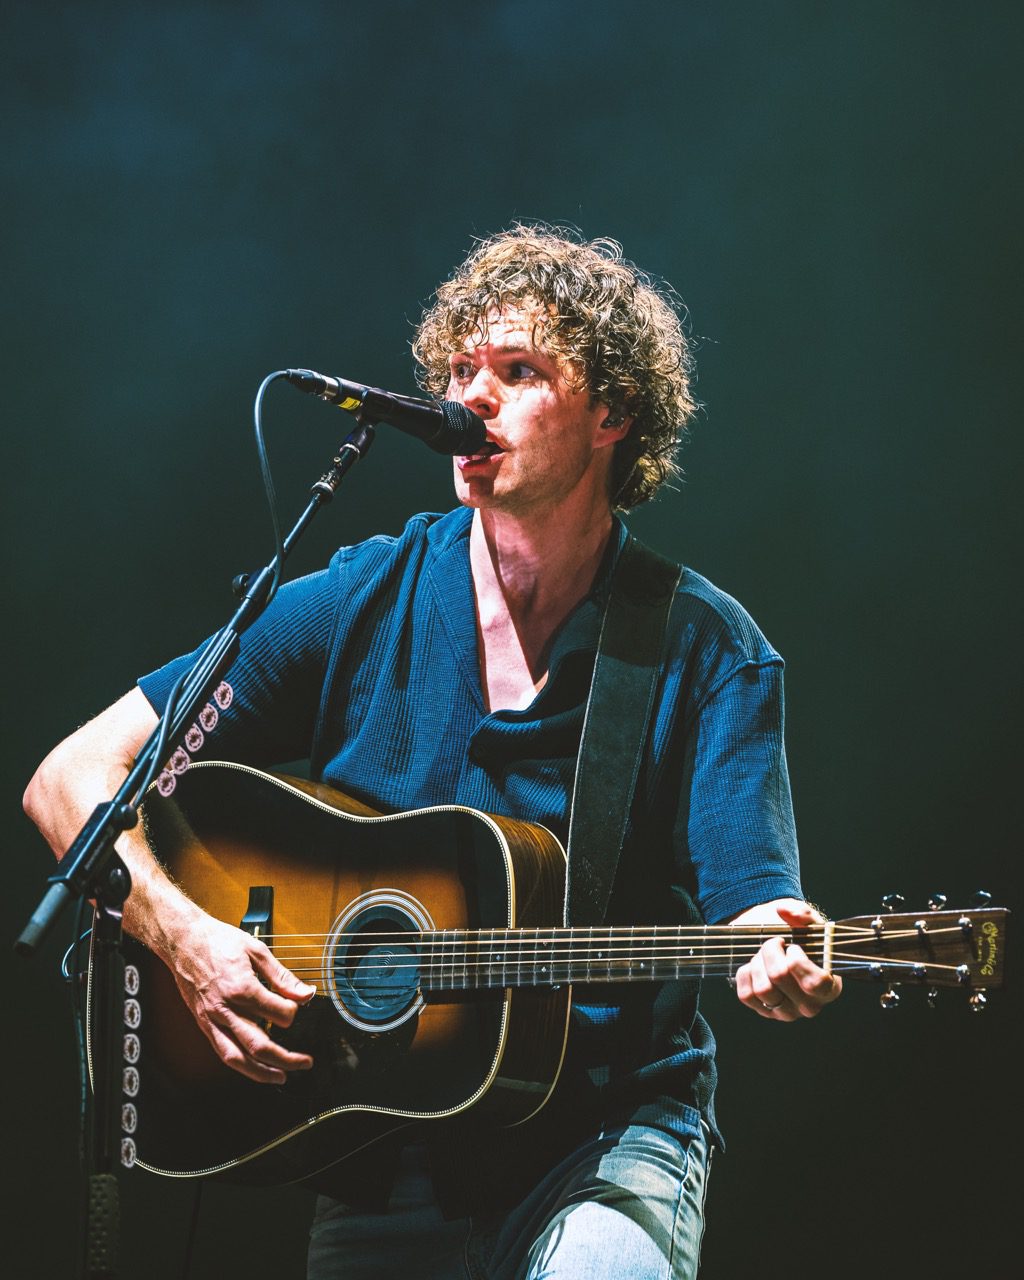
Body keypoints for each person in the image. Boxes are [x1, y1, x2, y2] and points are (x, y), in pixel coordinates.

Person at [24, 225, 841, 1279]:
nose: (472, 399)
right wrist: (187, 940)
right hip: (380, 1144)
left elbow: (757, 909)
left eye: (518, 371)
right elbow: (69, 779)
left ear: (613, 414)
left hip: (605, 1137)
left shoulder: (705, 648)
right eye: (459, 370)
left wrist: (780, 948)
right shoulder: (360, 598)